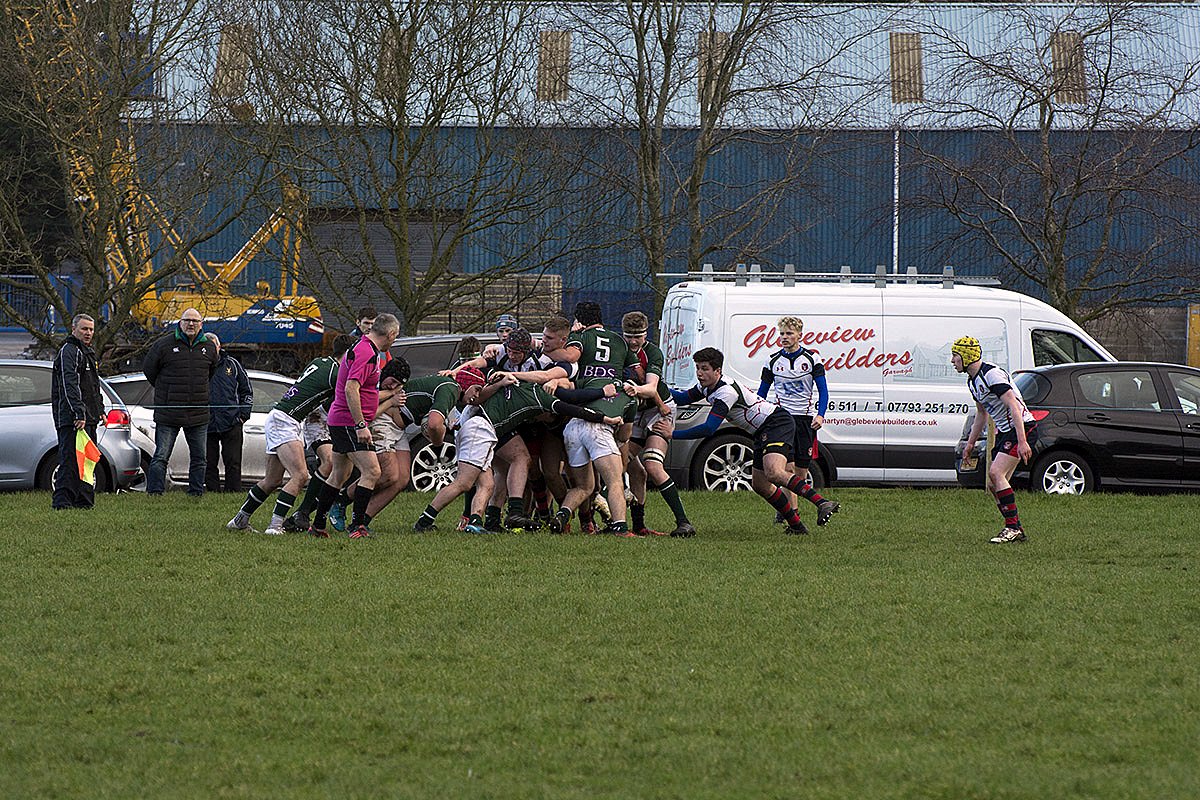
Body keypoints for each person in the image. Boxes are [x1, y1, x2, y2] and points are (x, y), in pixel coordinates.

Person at [413, 369, 623, 533]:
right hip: (480, 429)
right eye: (549, 416)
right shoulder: (541, 398)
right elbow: (573, 406)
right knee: (464, 483)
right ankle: (424, 521)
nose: (546, 419)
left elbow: (481, 391)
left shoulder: (517, 383)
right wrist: (604, 417)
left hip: (481, 429)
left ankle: (480, 522)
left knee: (489, 483)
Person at [665, 347, 815, 535]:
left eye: (704, 369)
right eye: (697, 368)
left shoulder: (726, 392)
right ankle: (797, 526)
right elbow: (681, 398)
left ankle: (821, 503)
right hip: (762, 430)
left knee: (775, 472)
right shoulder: (707, 386)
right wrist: (654, 386)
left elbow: (709, 428)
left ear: (717, 371)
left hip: (775, 423)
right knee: (760, 484)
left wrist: (673, 434)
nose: (699, 373)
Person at [230, 334, 355, 535]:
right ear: (348, 353)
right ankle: (275, 526)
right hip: (285, 420)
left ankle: (239, 521)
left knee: (272, 480)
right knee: (300, 475)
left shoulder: (320, 362)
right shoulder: (336, 373)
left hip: (280, 417)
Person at [308, 313, 400, 538]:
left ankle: (317, 526)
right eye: (396, 336)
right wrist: (360, 425)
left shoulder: (363, 347)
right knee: (373, 471)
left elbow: (364, 390)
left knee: (339, 474)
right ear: (390, 334)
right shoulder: (367, 353)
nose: (395, 340)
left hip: (341, 420)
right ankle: (358, 526)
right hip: (349, 422)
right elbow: (351, 388)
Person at [952, 336, 1038, 544]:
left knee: (996, 473)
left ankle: (1012, 528)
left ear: (967, 356)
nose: (952, 361)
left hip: (1021, 428)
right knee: (993, 483)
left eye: (955, 356)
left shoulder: (991, 374)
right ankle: (1017, 528)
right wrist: (970, 444)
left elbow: (1014, 406)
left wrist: (1022, 441)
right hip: (1005, 432)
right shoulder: (973, 381)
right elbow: (982, 414)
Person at [757, 316, 840, 527]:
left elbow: (823, 391)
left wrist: (820, 415)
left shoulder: (812, 359)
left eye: (789, 333)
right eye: (782, 334)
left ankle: (788, 509)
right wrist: (760, 416)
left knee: (801, 473)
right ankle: (791, 514)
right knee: (788, 469)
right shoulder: (772, 361)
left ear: (799, 335)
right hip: (783, 421)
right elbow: (761, 394)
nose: (784, 337)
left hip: (805, 420)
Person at [620, 311, 695, 537]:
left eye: (638, 337)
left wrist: (634, 389)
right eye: (629, 336)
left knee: (652, 465)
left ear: (646, 335)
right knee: (623, 465)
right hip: (635, 413)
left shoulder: (653, 352)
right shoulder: (618, 350)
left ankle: (684, 522)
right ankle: (635, 525)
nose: (633, 342)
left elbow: (651, 388)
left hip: (658, 411)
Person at [143, 308, 219, 496]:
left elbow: (210, 373)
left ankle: (195, 494)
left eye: (195, 321)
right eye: (187, 320)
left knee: (200, 458)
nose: (191, 324)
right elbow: (149, 370)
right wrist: (167, 392)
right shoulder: (163, 345)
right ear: (180, 322)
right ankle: (154, 493)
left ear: (201, 324)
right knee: (161, 456)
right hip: (169, 412)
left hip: (198, 413)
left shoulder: (209, 348)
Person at [50, 313, 104, 510]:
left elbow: (93, 386)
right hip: (73, 419)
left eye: (91, 329)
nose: (88, 333)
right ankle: (62, 502)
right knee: (70, 461)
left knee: (88, 461)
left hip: (89, 417)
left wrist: (100, 410)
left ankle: (84, 502)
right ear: (74, 329)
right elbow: (69, 385)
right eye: (84, 329)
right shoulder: (69, 351)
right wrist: (78, 413)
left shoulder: (88, 352)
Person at [205, 335, 253, 493]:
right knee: (208, 462)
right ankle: (212, 493)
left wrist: (243, 415)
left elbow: (247, 390)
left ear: (219, 347)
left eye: (213, 346)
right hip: (206, 423)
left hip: (231, 422)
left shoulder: (233, 364)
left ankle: (233, 493)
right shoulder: (199, 366)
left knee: (233, 462)